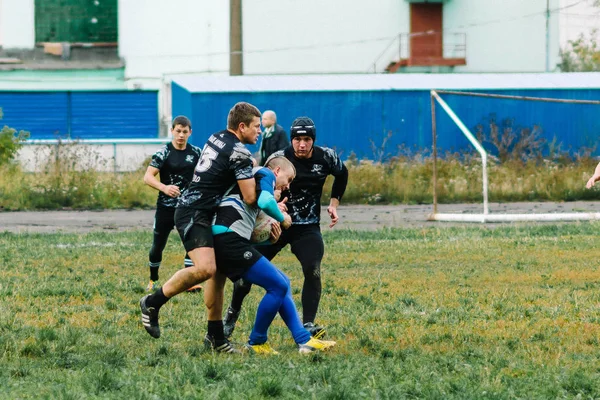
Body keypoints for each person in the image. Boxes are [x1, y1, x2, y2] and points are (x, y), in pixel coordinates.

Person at [139, 102, 262, 354]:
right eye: (256, 127)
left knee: (219, 275)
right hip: (194, 212)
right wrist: (274, 204)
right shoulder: (239, 152)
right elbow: (250, 197)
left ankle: (215, 338)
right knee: (206, 268)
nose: (259, 132)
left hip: (205, 210)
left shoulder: (216, 137)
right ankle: (152, 301)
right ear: (242, 126)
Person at [223, 116, 349, 339]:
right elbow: (262, 190)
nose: (302, 144)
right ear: (291, 139)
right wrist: (269, 215)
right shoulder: (278, 159)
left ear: (313, 140)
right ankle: (232, 314)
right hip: (275, 224)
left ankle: (308, 323)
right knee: (246, 274)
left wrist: (333, 203)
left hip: (307, 227)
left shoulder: (326, 157)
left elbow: (342, 173)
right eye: (297, 139)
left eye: (307, 139)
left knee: (313, 270)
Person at [208, 156, 336, 354]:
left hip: (228, 240)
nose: (288, 187)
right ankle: (257, 341)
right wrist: (282, 218)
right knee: (278, 285)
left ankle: (303, 340)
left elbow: (251, 229)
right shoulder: (264, 173)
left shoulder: (253, 183)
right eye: (289, 179)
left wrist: (271, 239)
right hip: (227, 241)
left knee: (282, 281)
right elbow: (266, 201)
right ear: (277, 172)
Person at [143, 115, 202, 293]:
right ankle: (153, 279)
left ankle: (188, 281)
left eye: (185, 132)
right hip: (165, 208)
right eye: (178, 131)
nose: (181, 135)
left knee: (191, 243)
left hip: (187, 208)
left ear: (190, 132)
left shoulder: (197, 153)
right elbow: (147, 177)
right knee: (158, 245)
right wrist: (164, 188)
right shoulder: (164, 152)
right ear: (172, 131)